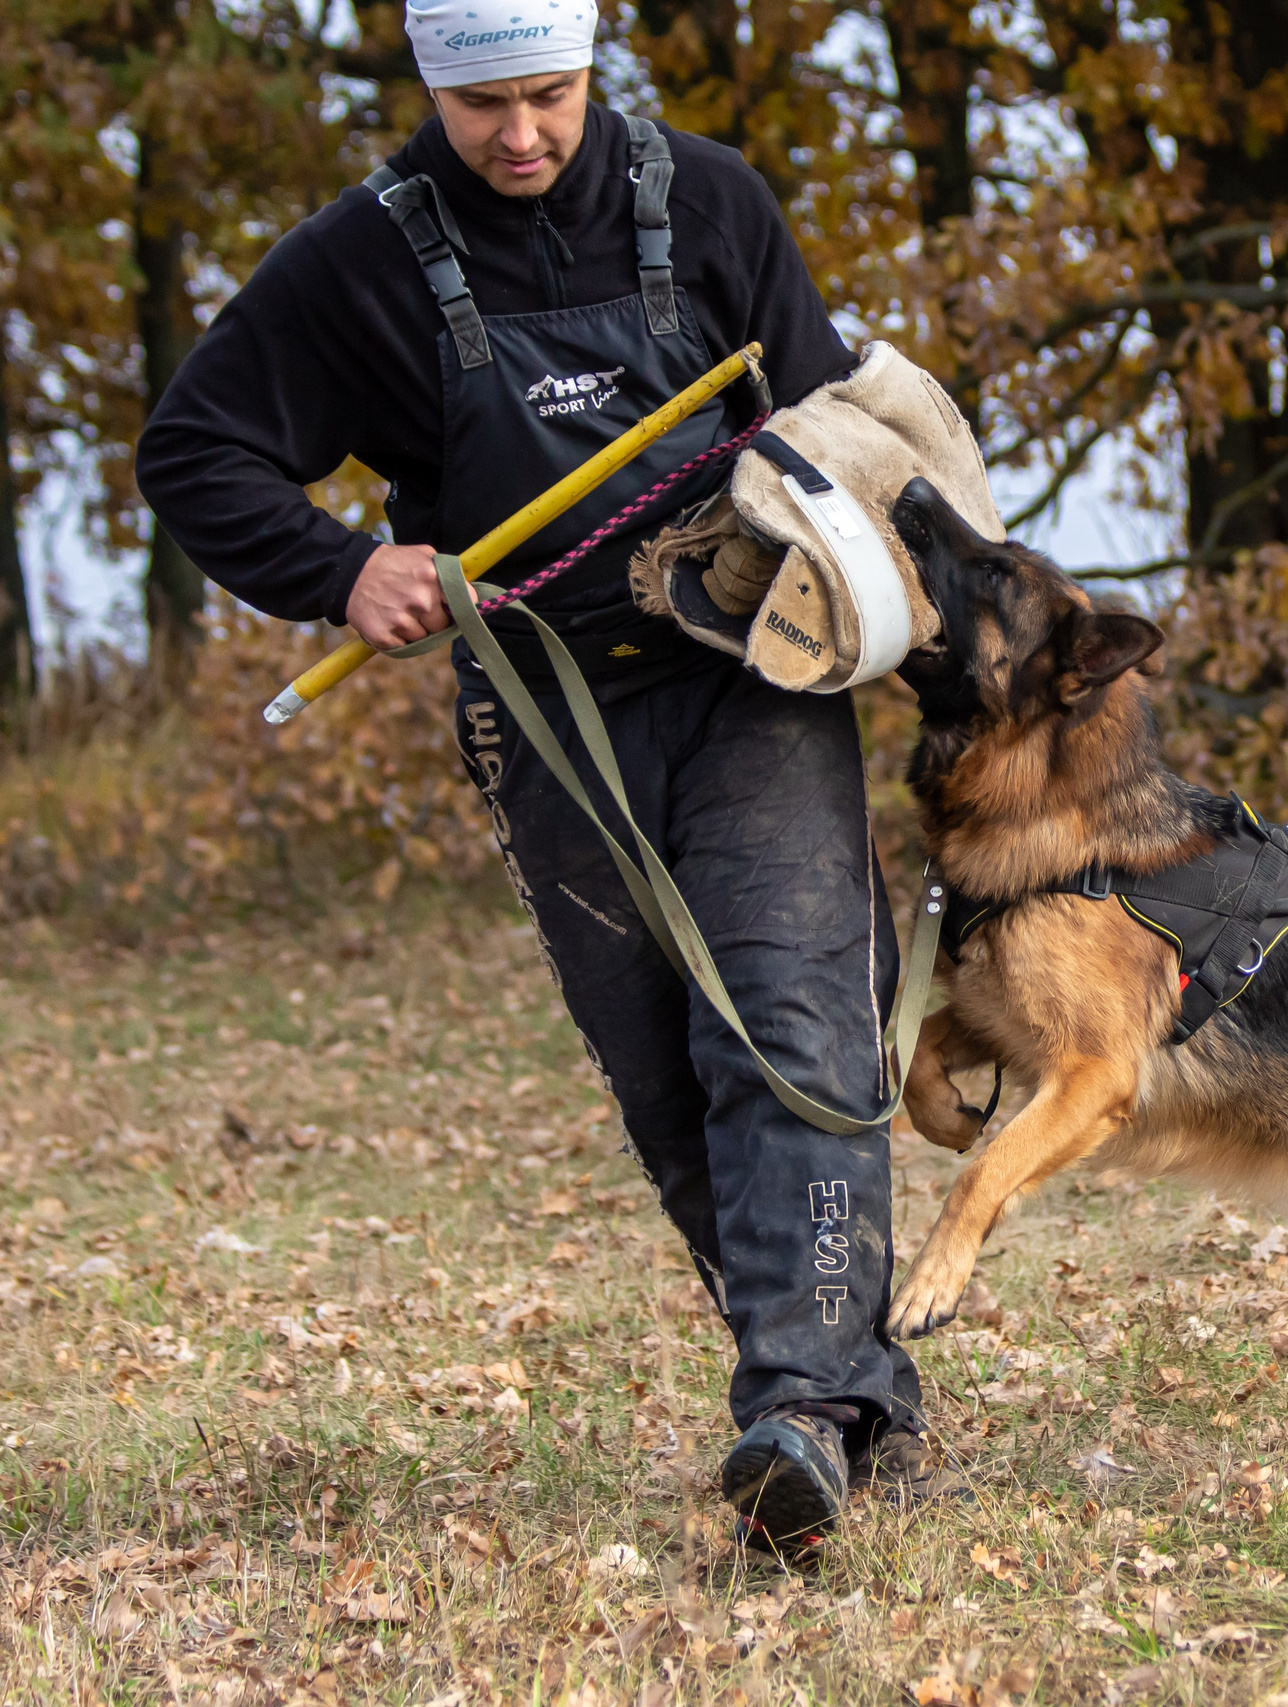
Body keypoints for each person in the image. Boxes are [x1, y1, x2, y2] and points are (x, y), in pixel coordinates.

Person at [135, 0, 954, 1556]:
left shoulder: (711, 201)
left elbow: (835, 432)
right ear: (429, 87)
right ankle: (852, 1389)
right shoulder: (358, 259)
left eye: (550, 95)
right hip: (546, 709)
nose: (522, 135)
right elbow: (194, 450)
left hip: (749, 682)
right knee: (663, 1075)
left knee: (787, 1031)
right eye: (484, 106)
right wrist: (340, 568)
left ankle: (803, 1409)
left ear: (594, 68)